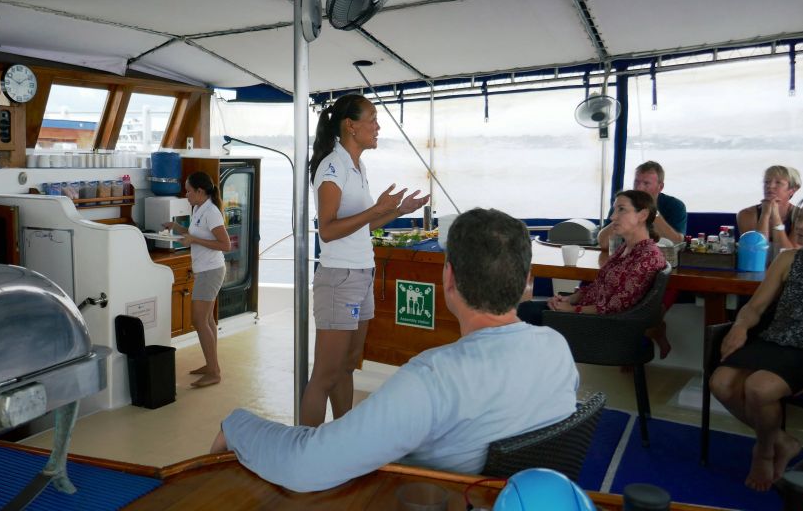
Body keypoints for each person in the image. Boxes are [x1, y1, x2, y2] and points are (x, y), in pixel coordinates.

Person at [208, 208, 579, 492]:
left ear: (447, 278)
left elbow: (305, 467)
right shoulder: (558, 350)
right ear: (528, 283)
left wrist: (238, 425)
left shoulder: (433, 379)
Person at [709, 192, 803, 492]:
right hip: (775, 339)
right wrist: (740, 326)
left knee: (758, 388)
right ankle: (782, 441)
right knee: (720, 382)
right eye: (800, 217)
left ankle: (763, 452)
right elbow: (756, 307)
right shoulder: (787, 258)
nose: (799, 225)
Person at [301, 93, 428, 427]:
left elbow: (361, 227)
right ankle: (301, 453)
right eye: (371, 120)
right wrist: (377, 208)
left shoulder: (358, 165)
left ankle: (344, 436)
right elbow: (327, 231)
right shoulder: (332, 166)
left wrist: (398, 211)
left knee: (349, 362)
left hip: (361, 276)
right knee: (325, 375)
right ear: (350, 126)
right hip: (339, 280)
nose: (377, 126)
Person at [518, 190, 667, 331]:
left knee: (524, 313)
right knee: (525, 308)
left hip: (599, 326)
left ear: (643, 215)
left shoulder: (647, 257)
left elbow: (615, 308)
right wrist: (568, 299)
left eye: (621, 209)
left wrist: (573, 310)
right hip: (586, 313)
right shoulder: (624, 249)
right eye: (614, 210)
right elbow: (597, 287)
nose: (613, 217)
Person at [163, 171, 232, 388]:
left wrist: (194, 240)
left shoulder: (211, 212)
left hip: (211, 271)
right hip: (204, 270)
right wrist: (177, 228)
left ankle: (214, 371)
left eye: (189, 190)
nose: (186, 194)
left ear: (200, 191)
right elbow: (197, 235)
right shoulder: (198, 208)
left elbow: (225, 245)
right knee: (208, 320)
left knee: (199, 320)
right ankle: (211, 365)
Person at [597, 161, 687, 251]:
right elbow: (604, 243)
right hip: (626, 257)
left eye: (646, 183)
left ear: (660, 187)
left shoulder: (675, 206)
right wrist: (622, 215)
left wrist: (652, 211)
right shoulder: (622, 204)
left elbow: (677, 242)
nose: (639, 188)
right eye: (636, 182)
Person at [737, 165, 802, 251]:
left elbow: (789, 255)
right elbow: (756, 252)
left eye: (778, 182)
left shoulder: (800, 216)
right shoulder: (746, 214)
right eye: (767, 182)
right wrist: (765, 215)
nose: (770, 186)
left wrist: (776, 217)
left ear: (793, 190)